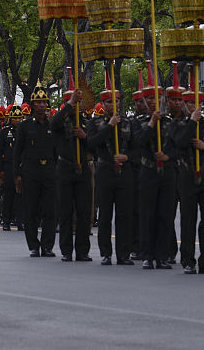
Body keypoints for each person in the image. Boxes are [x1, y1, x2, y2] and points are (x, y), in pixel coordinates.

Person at [175, 69, 204, 275]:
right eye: (191, 103)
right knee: (188, 220)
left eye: (198, 103)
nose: (195, 107)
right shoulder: (179, 125)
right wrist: (192, 121)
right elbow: (179, 144)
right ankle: (187, 260)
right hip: (187, 176)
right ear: (185, 105)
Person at [87, 71, 134, 266]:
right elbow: (91, 143)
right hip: (105, 170)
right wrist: (109, 126)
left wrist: (127, 157)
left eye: (116, 101)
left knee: (124, 215)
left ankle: (123, 253)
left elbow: (136, 148)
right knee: (105, 215)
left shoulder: (128, 123)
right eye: (108, 102)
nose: (113, 105)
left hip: (123, 172)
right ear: (103, 104)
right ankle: (106, 252)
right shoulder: (95, 123)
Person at [134, 66, 177, 270]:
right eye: (149, 99)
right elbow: (139, 143)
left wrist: (168, 155)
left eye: (156, 98)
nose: (153, 102)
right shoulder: (140, 122)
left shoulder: (169, 122)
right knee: (147, 214)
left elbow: (178, 146)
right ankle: (147, 254)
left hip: (166, 172)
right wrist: (152, 123)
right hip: (148, 170)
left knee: (165, 215)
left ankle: (162, 255)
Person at [14, 82, 57, 257]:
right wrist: (17, 175)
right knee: (30, 210)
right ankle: (33, 245)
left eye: (45, 102)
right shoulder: (24, 126)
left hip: (49, 173)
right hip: (30, 173)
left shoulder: (52, 125)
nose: (42, 105)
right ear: (33, 105)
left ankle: (47, 246)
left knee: (50, 211)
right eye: (39, 102)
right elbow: (18, 151)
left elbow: (56, 151)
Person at [52, 87, 91, 262]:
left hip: (83, 169)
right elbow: (53, 124)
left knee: (83, 212)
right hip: (65, 168)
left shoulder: (85, 122)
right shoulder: (62, 121)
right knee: (65, 211)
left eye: (78, 102)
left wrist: (84, 137)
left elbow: (95, 145)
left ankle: (82, 250)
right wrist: (69, 104)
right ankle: (66, 250)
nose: (77, 105)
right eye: (75, 102)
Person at [0, 105, 24, 231]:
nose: (18, 120)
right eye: (15, 118)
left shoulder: (24, 131)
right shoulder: (4, 131)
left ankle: (20, 221)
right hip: (8, 166)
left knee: (21, 195)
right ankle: (6, 221)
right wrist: (0, 170)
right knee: (8, 194)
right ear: (10, 119)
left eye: (20, 118)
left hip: (22, 167)